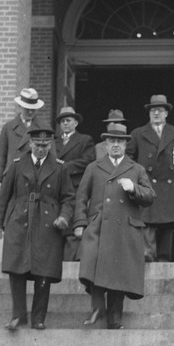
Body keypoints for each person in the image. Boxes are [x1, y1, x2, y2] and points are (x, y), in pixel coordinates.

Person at [0, 121, 74, 330]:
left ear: (50, 145)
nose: (41, 148)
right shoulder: (17, 165)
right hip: (19, 221)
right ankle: (18, 315)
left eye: (45, 145)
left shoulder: (60, 168)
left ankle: (38, 318)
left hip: (48, 224)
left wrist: (63, 217)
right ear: (30, 142)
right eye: (37, 144)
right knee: (15, 268)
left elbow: (69, 199)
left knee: (43, 271)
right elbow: (4, 197)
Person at [74, 122, 156, 329]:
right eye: (112, 141)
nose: (116, 145)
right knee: (91, 265)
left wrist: (134, 188)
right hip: (99, 225)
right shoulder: (93, 167)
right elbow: (81, 197)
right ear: (106, 143)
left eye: (120, 141)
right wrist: (80, 223)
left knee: (119, 274)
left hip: (125, 228)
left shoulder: (136, 168)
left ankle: (114, 317)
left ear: (126, 144)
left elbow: (150, 196)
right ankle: (97, 308)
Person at [126, 94, 174, 262]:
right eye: (153, 110)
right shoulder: (138, 133)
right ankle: (148, 259)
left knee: (167, 226)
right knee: (147, 225)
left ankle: (164, 261)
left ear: (166, 113)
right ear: (149, 113)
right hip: (147, 186)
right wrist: (137, 178)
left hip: (168, 187)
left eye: (160, 110)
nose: (156, 113)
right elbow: (129, 158)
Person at [53, 106, 95, 262]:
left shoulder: (84, 140)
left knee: (71, 229)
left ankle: (70, 261)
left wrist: (65, 167)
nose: (65, 123)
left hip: (74, 188)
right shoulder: (53, 142)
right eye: (62, 121)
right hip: (55, 188)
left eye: (68, 120)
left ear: (76, 122)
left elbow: (88, 161)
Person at [0, 87, 48, 183]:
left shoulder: (44, 127)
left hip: (37, 177)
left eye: (33, 109)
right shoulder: (8, 127)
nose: (30, 112)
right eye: (27, 109)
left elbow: (51, 156)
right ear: (19, 106)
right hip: (12, 177)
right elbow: (1, 156)